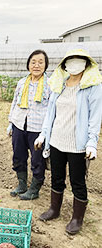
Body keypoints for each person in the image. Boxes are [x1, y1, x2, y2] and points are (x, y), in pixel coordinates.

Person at [35, 47, 102, 235]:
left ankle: (76, 219)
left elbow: (95, 117)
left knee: (77, 181)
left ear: (86, 64)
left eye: (79, 60)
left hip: (77, 144)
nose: (75, 64)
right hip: (56, 140)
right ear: (65, 65)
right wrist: (43, 134)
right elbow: (50, 114)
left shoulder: (92, 87)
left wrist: (91, 142)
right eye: (71, 60)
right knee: (57, 177)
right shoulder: (60, 85)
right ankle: (54, 210)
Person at [7, 50, 52, 200]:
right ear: (28, 65)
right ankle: (22, 184)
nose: (36, 65)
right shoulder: (22, 83)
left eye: (40, 62)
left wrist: (47, 132)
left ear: (46, 65)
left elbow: (53, 110)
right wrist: (11, 123)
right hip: (19, 124)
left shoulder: (50, 85)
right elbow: (14, 103)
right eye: (33, 62)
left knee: (37, 160)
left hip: (38, 129)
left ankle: (34, 189)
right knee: (18, 156)